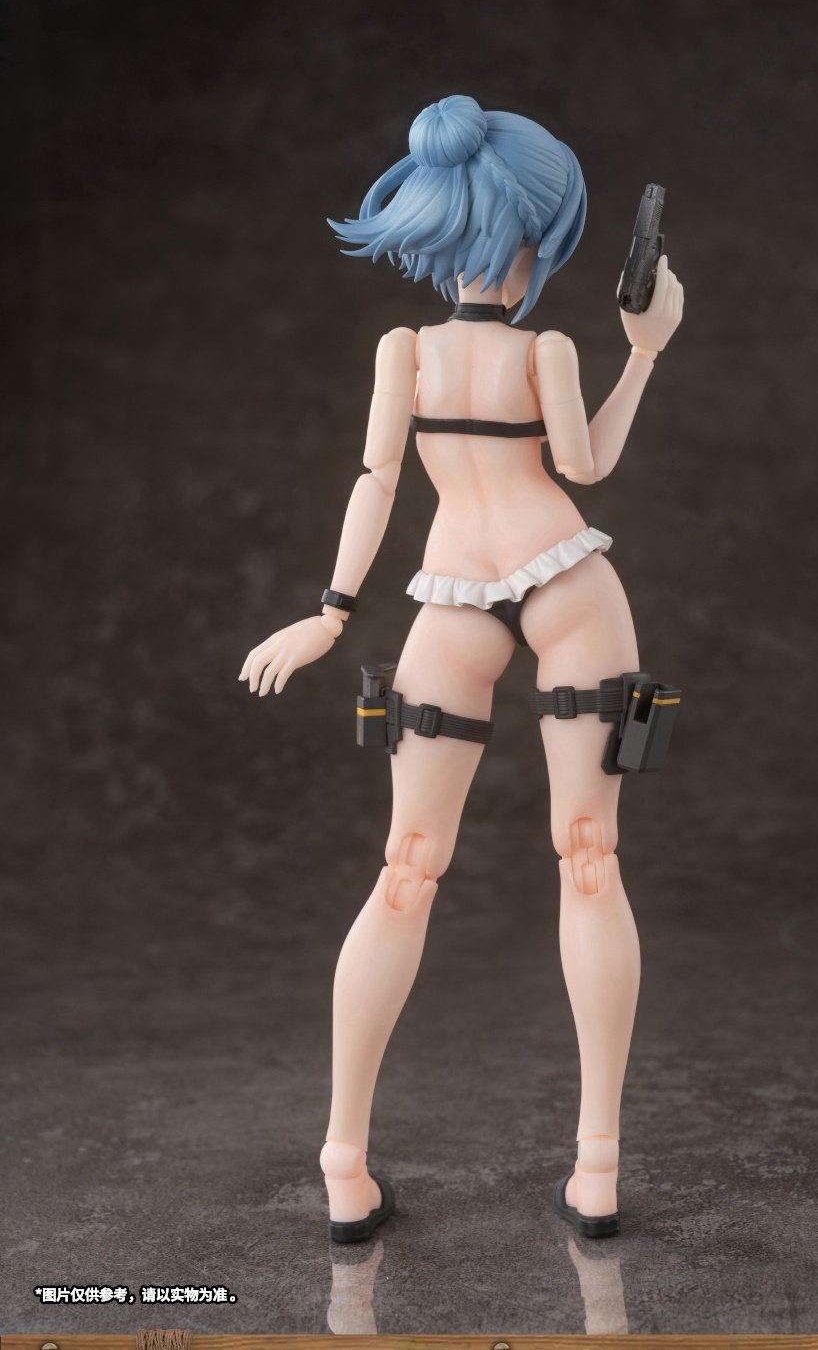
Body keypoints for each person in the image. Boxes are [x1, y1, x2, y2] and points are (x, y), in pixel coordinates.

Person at [240, 95, 684, 1241]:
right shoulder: (549, 350)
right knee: (589, 858)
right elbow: (588, 465)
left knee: (406, 868)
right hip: (564, 579)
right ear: (534, 228)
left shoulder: (405, 349)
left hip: (448, 593)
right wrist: (644, 354)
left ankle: (345, 1161)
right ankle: (595, 1168)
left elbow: (375, 481)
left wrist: (332, 612)